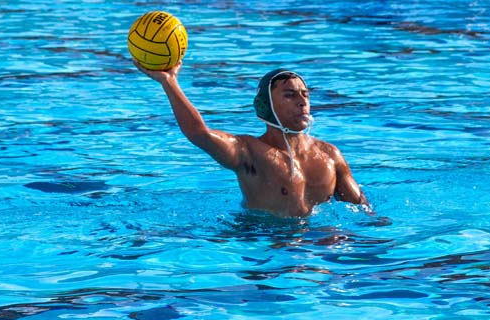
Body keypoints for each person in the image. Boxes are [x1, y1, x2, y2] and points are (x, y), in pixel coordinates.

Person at [136, 62, 367, 218]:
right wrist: (169, 81)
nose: (301, 101)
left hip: (316, 246)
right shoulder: (249, 152)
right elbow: (199, 133)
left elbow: (364, 211)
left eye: (305, 94)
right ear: (266, 107)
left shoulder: (330, 155)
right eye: (289, 95)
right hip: (262, 242)